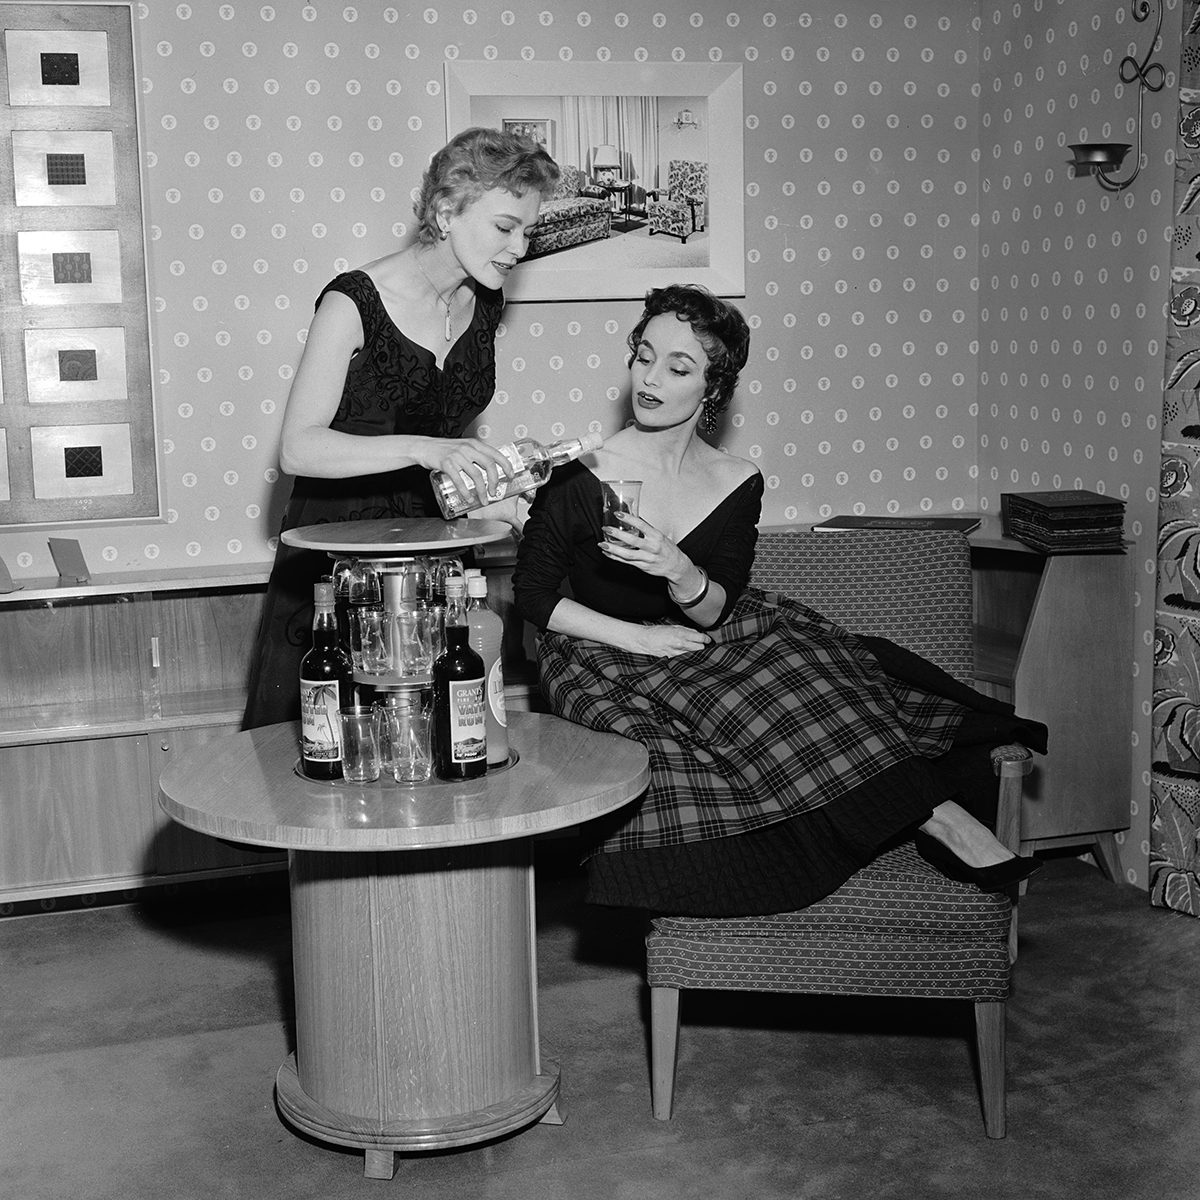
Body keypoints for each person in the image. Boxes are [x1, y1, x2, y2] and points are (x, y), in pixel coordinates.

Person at [512, 283, 1045, 917]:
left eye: (678, 367)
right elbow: (534, 597)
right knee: (721, 710)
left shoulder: (739, 481)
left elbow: (713, 609)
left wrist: (678, 568)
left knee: (810, 673)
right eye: (644, 356)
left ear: (712, 387)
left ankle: (939, 817)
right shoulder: (577, 473)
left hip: (704, 630)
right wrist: (641, 638)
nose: (650, 379)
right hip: (606, 645)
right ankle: (871, 830)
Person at [243, 127, 559, 728]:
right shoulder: (352, 302)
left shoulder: (483, 302)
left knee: (444, 751)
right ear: (445, 211)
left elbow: (444, 441)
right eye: (505, 226)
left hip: (435, 564)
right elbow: (298, 448)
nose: (520, 247)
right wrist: (427, 450)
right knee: (335, 756)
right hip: (341, 569)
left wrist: (494, 485)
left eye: (528, 230)